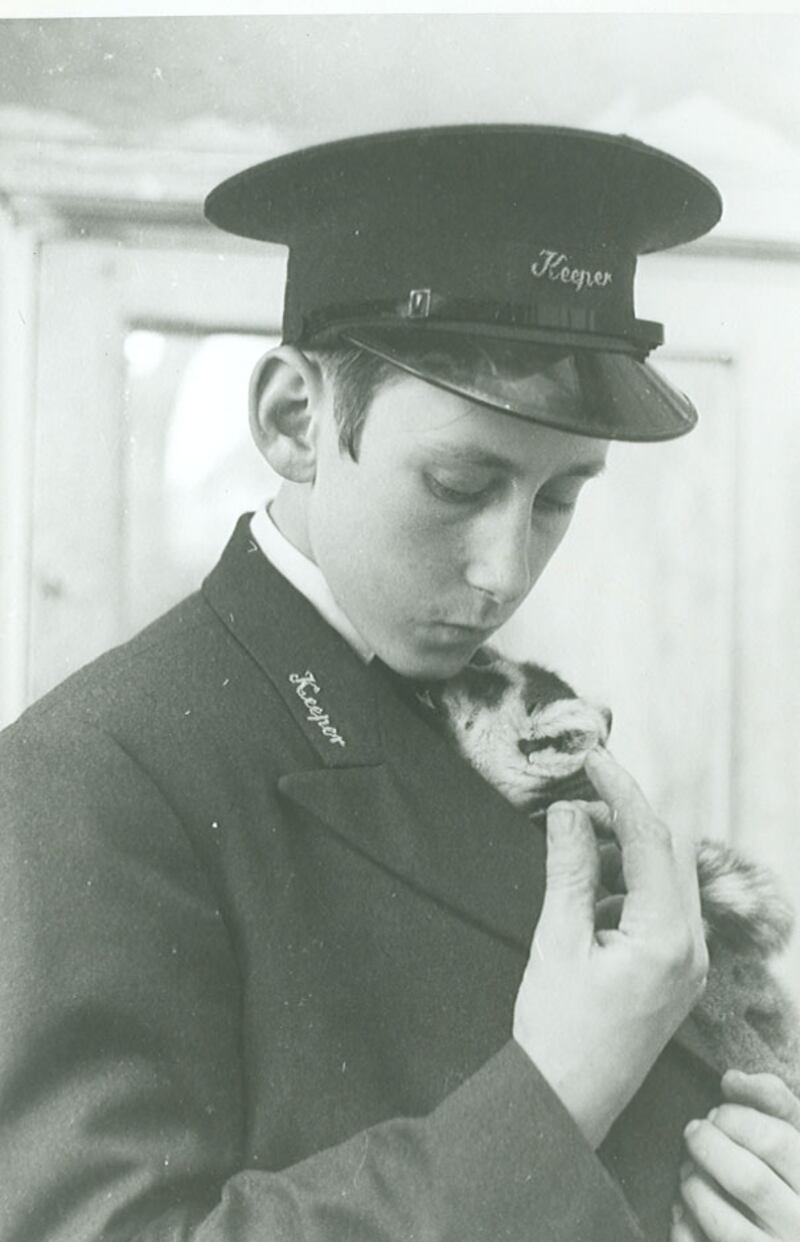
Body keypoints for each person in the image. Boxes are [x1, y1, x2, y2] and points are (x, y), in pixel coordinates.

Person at [0, 124, 798, 1242]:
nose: (503, 569)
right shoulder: (97, 768)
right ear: (294, 419)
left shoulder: (498, 711)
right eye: (457, 481)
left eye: (558, 497)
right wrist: (556, 1088)